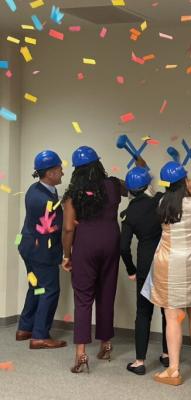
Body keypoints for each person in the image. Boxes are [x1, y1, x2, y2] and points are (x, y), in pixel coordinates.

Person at [143, 159, 191, 386]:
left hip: (168, 264)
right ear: (184, 180)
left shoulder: (163, 203)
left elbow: (183, 190)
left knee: (172, 318)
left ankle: (173, 370)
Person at [62, 146, 130, 373]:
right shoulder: (113, 185)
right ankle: (106, 344)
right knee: (106, 294)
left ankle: (81, 354)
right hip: (111, 242)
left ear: (76, 171)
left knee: (83, 299)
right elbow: (138, 183)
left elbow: (69, 229)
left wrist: (66, 256)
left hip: (86, 244)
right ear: (98, 164)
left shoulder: (72, 195)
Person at [119, 165, 169, 375]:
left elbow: (123, 247)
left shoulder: (129, 213)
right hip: (165, 259)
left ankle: (139, 362)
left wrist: (131, 269)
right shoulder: (159, 199)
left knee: (143, 312)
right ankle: (167, 355)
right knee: (167, 309)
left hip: (146, 263)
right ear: (147, 185)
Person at [16, 150, 66, 350]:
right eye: (59, 169)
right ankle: (39, 336)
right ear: (50, 173)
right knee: (49, 290)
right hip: (40, 250)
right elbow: (59, 225)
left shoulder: (35, 189)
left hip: (27, 245)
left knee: (36, 287)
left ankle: (25, 328)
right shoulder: (45, 200)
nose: (63, 172)